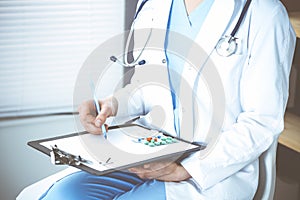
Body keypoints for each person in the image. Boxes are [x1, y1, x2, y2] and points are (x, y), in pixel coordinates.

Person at [39, 0, 296, 199]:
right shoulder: (155, 5)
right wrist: (112, 105)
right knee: (62, 195)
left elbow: (262, 121)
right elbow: (146, 86)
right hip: (148, 150)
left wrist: (188, 169)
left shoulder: (263, 13)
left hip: (210, 170)